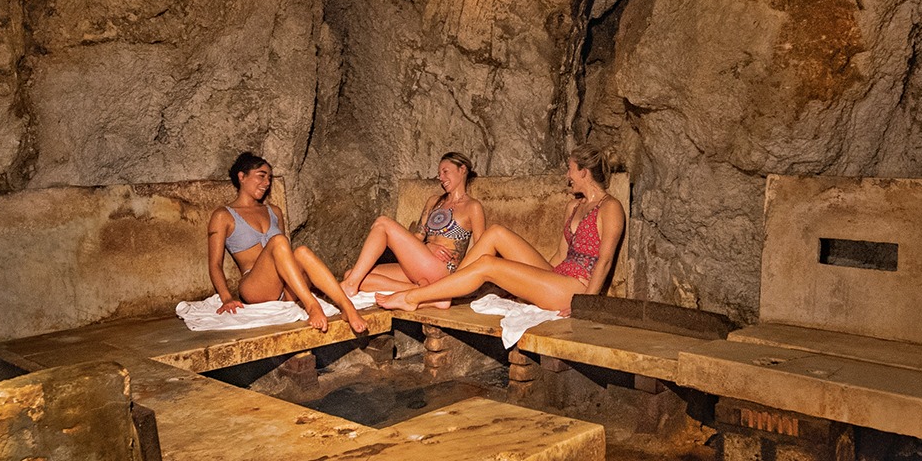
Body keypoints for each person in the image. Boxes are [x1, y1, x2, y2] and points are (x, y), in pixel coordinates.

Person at [375, 144, 624, 316]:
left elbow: (605, 260)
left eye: (570, 169)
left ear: (584, 171)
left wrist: (585, 305)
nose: (567, 175)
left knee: (488, 265)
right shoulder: (573, 206)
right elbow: (560, 256)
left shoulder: (610, 207)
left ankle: (413, 298)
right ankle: (445, 291)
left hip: (577, 288)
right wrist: (530, 283)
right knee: (495, 233)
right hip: (558, 277)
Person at [206, 152, 368, 334]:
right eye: (261, 176)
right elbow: (215, 264)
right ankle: (312, 306)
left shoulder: (274, 211)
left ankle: (347, 307)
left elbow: (285, 256)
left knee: (302, 252)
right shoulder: (223, 216)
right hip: (256, 288)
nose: (267, 183)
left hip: (286, 288)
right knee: (279, 241)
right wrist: (226, 298)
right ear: (242, 177)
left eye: (269, 178)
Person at [339, 152, 487, 297]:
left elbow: (481, 249)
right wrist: (427, 247)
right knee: (352, 274)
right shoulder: (434, 201)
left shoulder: (473, 207)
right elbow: (418, 236)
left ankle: (350, 285)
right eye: (439, 173)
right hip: (421, 267)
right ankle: (417, 289)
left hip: (444, 270)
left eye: (445, 171)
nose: (441, 177)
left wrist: (460, 281)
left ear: (462, 170)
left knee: (382, 223)